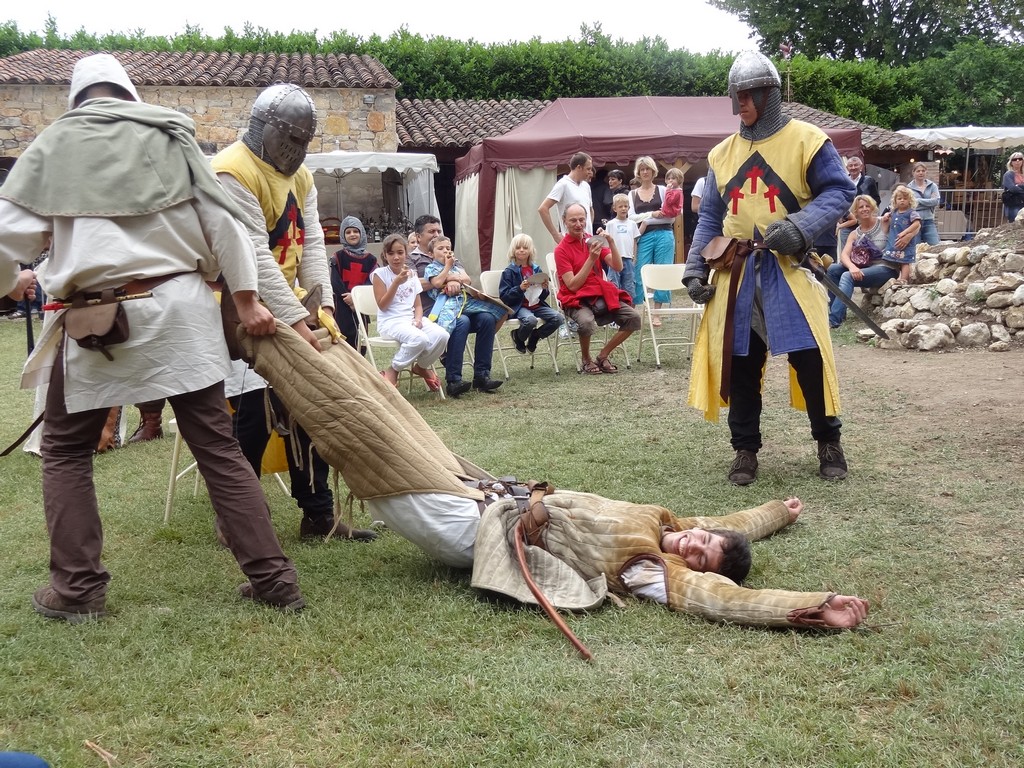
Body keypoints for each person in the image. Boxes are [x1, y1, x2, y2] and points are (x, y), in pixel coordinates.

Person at [238, 327, 870, 631]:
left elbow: (726, 599)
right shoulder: (667, 523)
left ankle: (263, 343)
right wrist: (778, 512)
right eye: (701, 539)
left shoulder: (652, 571)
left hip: (482, 531)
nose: (692, 544)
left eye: (699, 556)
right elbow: (732, 524)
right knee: (394, 412)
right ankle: (307, 333)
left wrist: (811, 608)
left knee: (365, 435)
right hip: (493, 495)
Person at [0, 53, 305, 618]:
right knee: (216, 447)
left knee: (65, 451)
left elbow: (2, 238)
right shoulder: (173, 137)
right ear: (129, 93)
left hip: (97, 318)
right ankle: (275, 582)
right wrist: (244, 299)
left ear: (77, 98)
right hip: (180, 311)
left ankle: (77, 591)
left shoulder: (54, 146)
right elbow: (228, 227)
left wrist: (11, 283)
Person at [211, 83, 376, 543]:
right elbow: (252, 254)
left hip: (291, 303)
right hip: (239, 304)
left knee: (311, 408)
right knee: (253, 414)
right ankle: (238, 518)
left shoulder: (301, 176)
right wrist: (296, 321)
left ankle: (317, 514)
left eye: (303, 141)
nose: (295, 149)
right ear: (264, 127)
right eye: (290, 139)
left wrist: (322, 305)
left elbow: (312, 241)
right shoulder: (231, 170)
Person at [684, 50, 855, 486]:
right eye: (736, 95)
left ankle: (828, 442)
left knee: (809, 358)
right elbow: (710, 217)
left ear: (769, 94)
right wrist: (695, 269)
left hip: (789, 269)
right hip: (737, 271)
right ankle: (744, 450)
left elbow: (839, 192)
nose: (741, 103)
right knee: (740, 363)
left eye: (749, 94)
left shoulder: (807, 140)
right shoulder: (722, 154)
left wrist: (798, 227)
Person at [554, 204, 642, 374]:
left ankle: (603, 355)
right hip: (575, 297)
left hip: (597, 293)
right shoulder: (561, 250)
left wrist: (611, 243)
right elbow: (572, 285)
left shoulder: (592, 241)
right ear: (564, 221)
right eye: (573, 220)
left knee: (633, 318)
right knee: (586, 322)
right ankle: (586, 359)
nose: (578, 224)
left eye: (581, 220)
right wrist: (591, 259)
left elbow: (617, 266)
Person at [420, 234, 505, 397]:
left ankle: (482, 375)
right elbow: (437, 282)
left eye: (448, 248)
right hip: (445, 307)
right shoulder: (431, 267)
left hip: (465, 303)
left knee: (487, 319)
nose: (445, 251)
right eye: (440, 248)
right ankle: (454, 380)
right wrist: (448, 271)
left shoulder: (455, 263)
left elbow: (467, 279)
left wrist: (455, 278)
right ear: (431, 254)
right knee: (462, 322)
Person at [371, 234, 446, 390]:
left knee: (442, 335)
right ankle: (393, 369)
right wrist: (396, 283)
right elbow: (382, 305)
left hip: (410, 319)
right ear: (385, 255)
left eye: (400, 252)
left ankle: (421, 366)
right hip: (390, 322)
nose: (396, 257)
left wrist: (418, 319)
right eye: (391, 253)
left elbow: (417, 305)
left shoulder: (411, 274)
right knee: (420, 339)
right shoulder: (380, 274)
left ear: (406, 253)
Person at [825, 195, 896, 329]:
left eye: (867, 206)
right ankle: (840, 313)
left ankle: (833, 320)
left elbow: (908, 218)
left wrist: (908, 233)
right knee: (832, 270)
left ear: (873, 208)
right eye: (861, 207)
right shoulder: (854, 234)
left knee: (847, 276)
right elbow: (844, 255)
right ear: (856, 212)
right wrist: (852, 266)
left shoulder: (885, 221)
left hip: (886, 268)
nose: (864, 209)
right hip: (865, 269)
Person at [498, 233, 563, 354]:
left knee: (558, 318)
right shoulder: (509, 271)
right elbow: (504, 296)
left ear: (531, 250)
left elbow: (542, 296)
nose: (521, 250)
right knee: (531, 321)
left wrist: (544, 288)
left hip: (537, 305)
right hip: (520, 307)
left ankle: (536, 335)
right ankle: (518, 336)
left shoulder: (536, 269)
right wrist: (519, 288)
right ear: (513, 250)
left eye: (525, 247)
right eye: (518, 247)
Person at [629, 157, 679, 313]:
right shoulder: (632, 194)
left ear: (653, 171)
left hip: (665, 233)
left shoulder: (663, 190)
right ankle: (635, 312)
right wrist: (652, 214)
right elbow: (631, 218)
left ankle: (657, 312)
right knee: (639, 271)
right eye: (642, 169)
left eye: (648, 169)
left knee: (663, 271)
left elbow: (671, 216)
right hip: (643, 236)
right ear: (638, 172)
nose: (645, 172)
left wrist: (646, 221)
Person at [329, 215, 378, 351]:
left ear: (362, 233)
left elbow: (371, 281)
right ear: (343, 235)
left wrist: (356, 298)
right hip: (342, 305)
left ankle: (360, 361)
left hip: (361, 305)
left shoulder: (371, 260)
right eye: (348, 232)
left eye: (356, 231)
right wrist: (348, 299)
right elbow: (335, 281)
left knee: (361, 338)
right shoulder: (338, 257)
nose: (352, 234)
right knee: (342, 336)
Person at [538, 152, 594, 245]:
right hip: (570, 241)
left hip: (587, 241)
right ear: (579, 167)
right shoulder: (563, 184)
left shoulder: (586, 186)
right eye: (588, 169)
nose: (590, 172)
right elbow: (543, 209)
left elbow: (590, 210)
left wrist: (588, 228)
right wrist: (555, 235)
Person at [837, 156, 881, 249]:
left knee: (865, 250)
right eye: (850, 165)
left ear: (861, 167)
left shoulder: (869, 181)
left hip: (864, 223)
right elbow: (839, 200)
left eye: (856, 165)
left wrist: (871, 215)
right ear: (847, 168)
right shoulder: (843, 182)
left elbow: (876, 200)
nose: (853, 168)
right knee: (846, 250)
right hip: (847, 224)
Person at [881, 185, 921, 283]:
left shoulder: (911, 213)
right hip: (894, 241)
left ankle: (904, 280)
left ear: (910, 200)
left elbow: (917, 224)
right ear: (895, 200)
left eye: (905, 198)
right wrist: (886, 216)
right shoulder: (894, 212)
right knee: (893, 260)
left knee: (905, 261)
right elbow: (887, 218)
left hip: (906, 243)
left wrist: (906, 232)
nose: (902, 200)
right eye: (899, 198)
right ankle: (894, 278)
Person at [602, 193, 640, 297]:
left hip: (628, 258)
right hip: (614, 259)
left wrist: (634, 256)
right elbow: (607, 242)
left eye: (625, 206)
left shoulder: (632, 224)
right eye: (620, 206)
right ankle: (615, 304)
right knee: (613, 284)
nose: (623, 209)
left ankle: (628, 305)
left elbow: (634, 241)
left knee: (629, 285)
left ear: (629, 208)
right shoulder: (610, 224)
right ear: (615, 208)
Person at [635, 167, 685, 235]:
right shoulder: (675, 190)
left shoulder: (676, 192)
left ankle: (637, 236)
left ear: (679, 179)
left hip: (669, 213)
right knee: (647, 221)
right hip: (668, 211)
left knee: (646, 222)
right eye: (668, 179)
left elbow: (669, 200)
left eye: (673, 178)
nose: (670, 180)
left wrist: (668, 190)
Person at [907, 163, 940, 246]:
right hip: (914, 221)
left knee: (935, 245)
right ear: (913, 172)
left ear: (926, 172)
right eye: (918, 171)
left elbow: (936, 201)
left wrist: (918, 201)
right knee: (916, 247)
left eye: (923, 171)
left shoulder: (932, 186)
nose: (921, 173)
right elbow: (910, 205)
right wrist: (928, 203)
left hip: (929, 220)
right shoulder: (908, 188)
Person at [1001, 152, 1024, 223]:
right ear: (1011, 162)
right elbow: (1012, 188)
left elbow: (1016, 188)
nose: (1017, 161)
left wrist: (1018, 186)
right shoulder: (1008, 174)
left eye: (1020, 159)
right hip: (1014, 203)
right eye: (1015, 159)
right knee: (1015, 223)